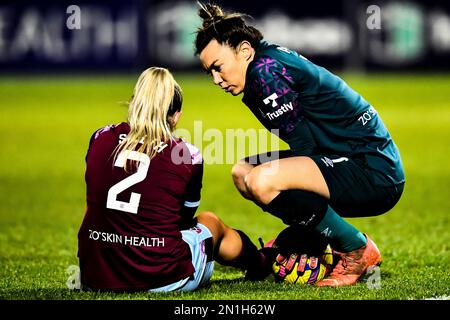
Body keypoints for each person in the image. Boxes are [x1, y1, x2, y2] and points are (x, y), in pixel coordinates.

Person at [194, 3, 405, 287]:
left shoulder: (265, 73)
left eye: (218, 67)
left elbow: (305, 150)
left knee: (262, 181)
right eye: (210, 73)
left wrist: (306, 235)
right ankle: (316, 234)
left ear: (244, 50)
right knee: (243, 172)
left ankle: (355, 248)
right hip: (343, 156)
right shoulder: (262, 63)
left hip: (373, 171)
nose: (217, 80)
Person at [77, 67, 264, 292]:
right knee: (209, 222)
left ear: (133, 103)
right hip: (162, 278)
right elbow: (183, 220)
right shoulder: (187, 154)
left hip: (96, 274)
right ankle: (263, 263)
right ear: (176, 116)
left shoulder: (100, 137)